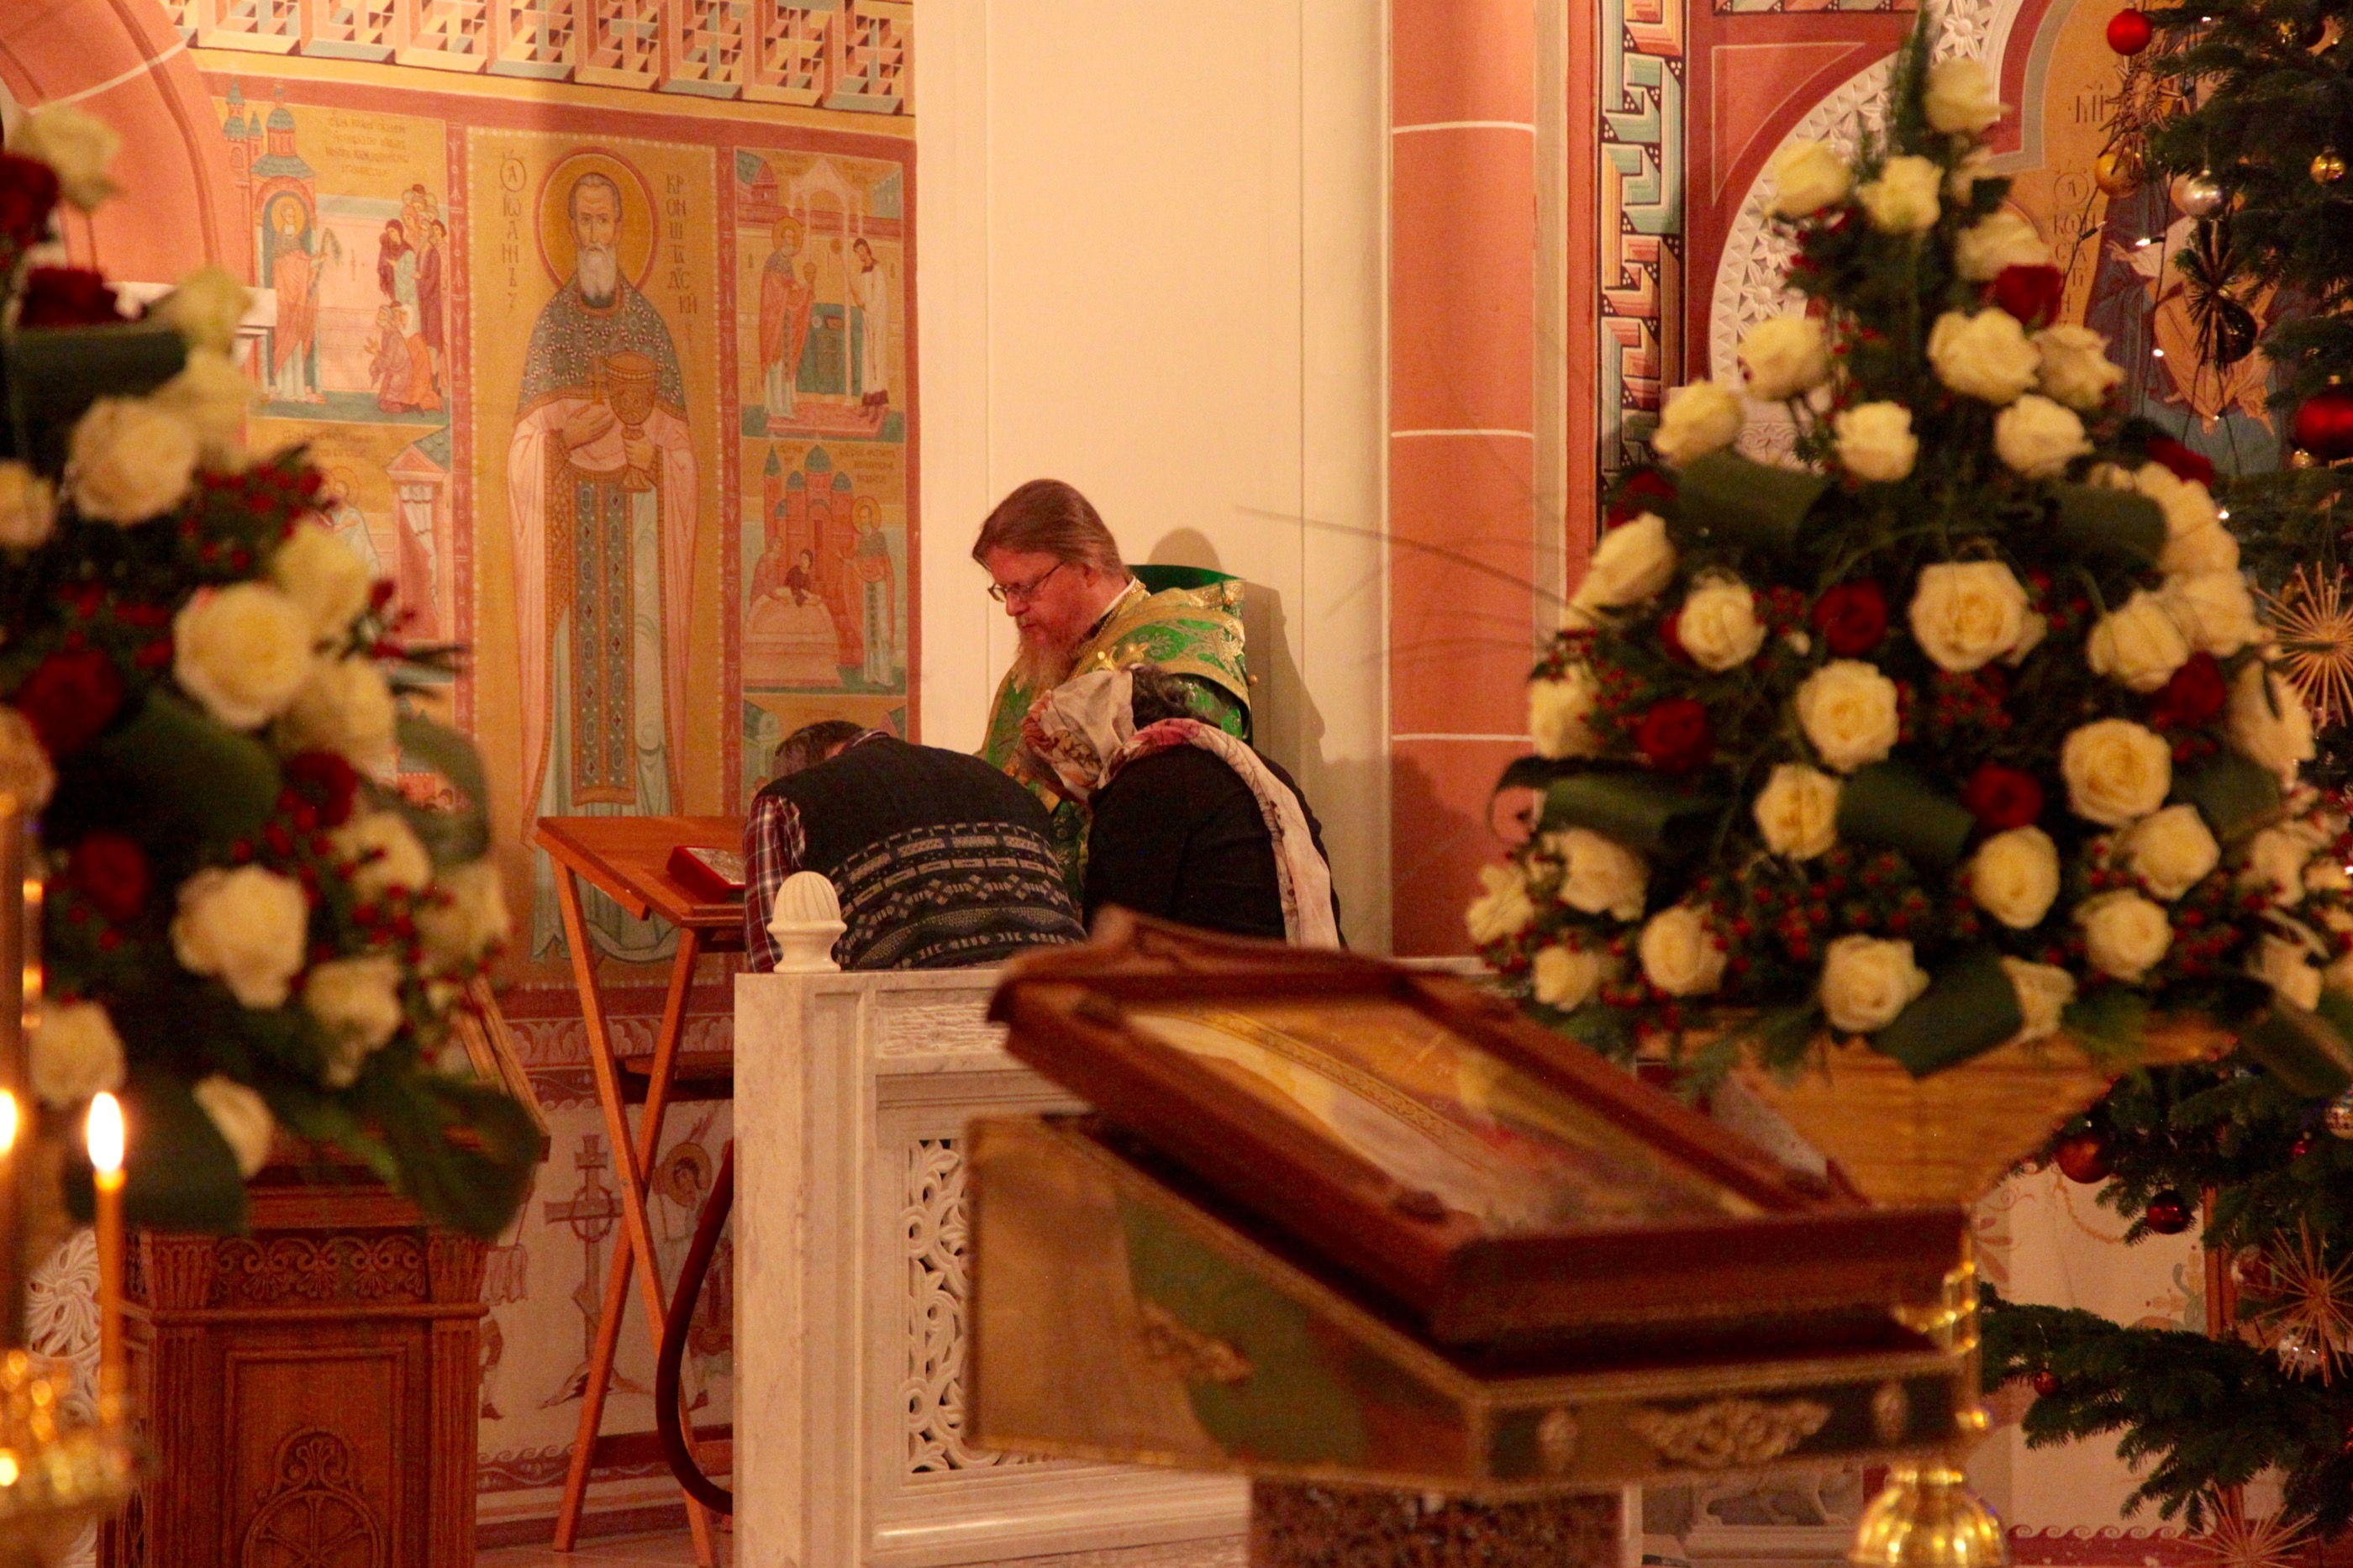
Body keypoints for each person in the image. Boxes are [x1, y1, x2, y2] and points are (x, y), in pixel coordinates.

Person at [972, 479, 1250, 884]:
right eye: (1004, 590)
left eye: (1025, 587)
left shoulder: (1177, 656)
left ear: (1087, 566)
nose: (1012, 607)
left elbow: (1170, 825)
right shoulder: (1031, 671)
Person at [1024, 666, 1340, 946]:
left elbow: (1111, 950)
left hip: (1224, 987)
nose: (1084, 804)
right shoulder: (1259, 767)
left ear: (1085, 751)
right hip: (1311, 978)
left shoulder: (1137, 788)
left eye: (1071, 786)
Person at [743, 721, 1087, 971]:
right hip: (1055, 1015)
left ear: (804, 770)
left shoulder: (785, 802)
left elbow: (776, 979)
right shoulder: (1014, 791)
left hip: (904, 1027)